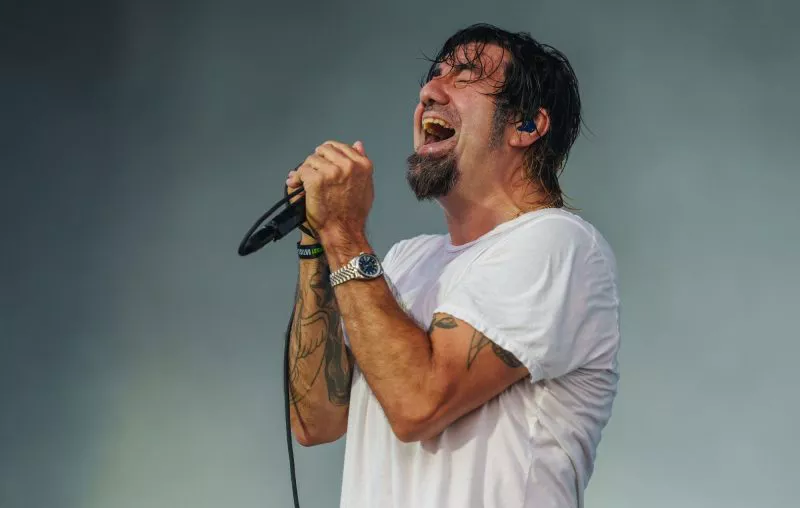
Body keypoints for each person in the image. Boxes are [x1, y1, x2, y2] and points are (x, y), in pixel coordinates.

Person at [284, 23, 620, 508]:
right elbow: (315, 420)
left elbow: (418, 403)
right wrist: (316, 240)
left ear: (526, 125)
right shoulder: (405, 262)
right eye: (432, 76)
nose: (428, 92)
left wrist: (343, 232)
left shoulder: (559, 244)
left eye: (464, 77)